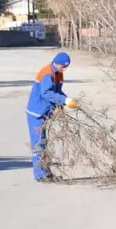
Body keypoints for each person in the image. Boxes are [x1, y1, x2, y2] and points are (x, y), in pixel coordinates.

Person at [26, 51, 77, 181]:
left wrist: (64, 103)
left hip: (45, 112)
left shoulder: (59, 74)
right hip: (36, 113)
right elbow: (46, 93)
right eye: (63, 66)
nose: (64, 69)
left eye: (67, 67)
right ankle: (40, 175)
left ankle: (46, 171)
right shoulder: (47, 73)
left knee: (44, 143)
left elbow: (58, 91)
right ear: (57, 63)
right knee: (38, 144)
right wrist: (64, 100)